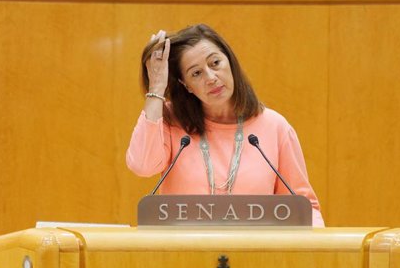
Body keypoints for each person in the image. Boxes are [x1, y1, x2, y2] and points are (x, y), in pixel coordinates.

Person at [126, 24, 324, 227]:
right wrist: (157, 87)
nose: (211, 78)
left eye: (215, 63)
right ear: (186, 85)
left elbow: (304, 208)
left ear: (230, 62)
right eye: (196, 73)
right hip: (182, 254)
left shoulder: (275, 127)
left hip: (256, 255)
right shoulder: (171, 121)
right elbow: (142, 165)